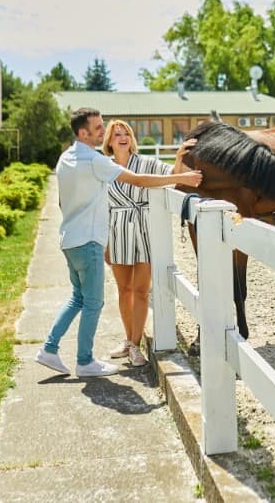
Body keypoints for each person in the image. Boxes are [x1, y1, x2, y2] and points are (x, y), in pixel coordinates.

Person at [35, 108, 202, 378]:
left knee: (88, 297)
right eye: (102, 129)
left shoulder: (67, 157)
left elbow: (63, 201)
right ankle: (87, 359)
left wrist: (180, 160)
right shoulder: (97, 161)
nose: (105, 132)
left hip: (88, 236)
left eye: (120, 131)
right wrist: (180, 178)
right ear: (84, 133)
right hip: (100, 236)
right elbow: (137, 180)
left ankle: (52, 348)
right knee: (101, 299)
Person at [102, 120, 197, 366]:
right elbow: (102, 208)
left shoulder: (146, 163)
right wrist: (106, 243)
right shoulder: (104, 168)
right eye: (116, 134)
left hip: (144, 229)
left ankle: (135, 345)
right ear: (109, 141)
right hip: (117, 229)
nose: (122, 137)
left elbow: (173, 175)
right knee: (124, 290)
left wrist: (180, 154)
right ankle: (128, 340)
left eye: (126, 133)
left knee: (141, 290)